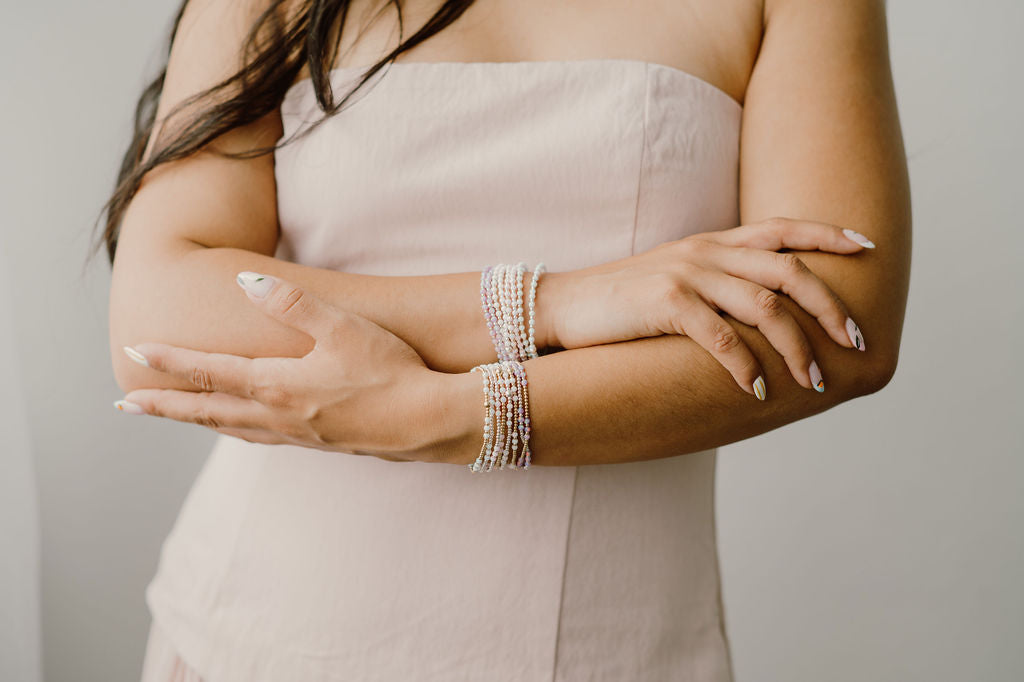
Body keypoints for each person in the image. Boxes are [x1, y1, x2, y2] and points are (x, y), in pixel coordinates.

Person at [95, 0, 910, 679]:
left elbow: (840, 327)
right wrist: (550, 303)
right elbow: (160, 307)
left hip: (613, 641)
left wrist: (450, 414)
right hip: (262, 632)